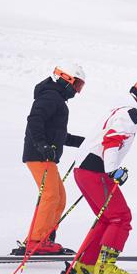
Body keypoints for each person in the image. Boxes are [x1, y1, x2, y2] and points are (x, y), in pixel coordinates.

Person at [68, 79, 137, 274]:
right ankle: (105, 268)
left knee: (107, 219)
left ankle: (87, 264)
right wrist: (113, 170)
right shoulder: (130, 114)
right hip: (96, 170)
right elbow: (112, 141)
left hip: (84, 169)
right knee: (121, 217)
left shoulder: (121, 109)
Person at [19, 63, 86, 256]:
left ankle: (44, 238)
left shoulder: (57, 100)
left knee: (59, 197)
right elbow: (34, 120)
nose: (77, 91)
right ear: (67, 80)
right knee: (50, 196)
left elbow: (59, 135)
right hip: (39, 155)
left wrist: (85, 142)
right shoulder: (50, 96)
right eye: (77, 85)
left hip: (46, 155)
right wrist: (42, 145)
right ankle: (36, 241)